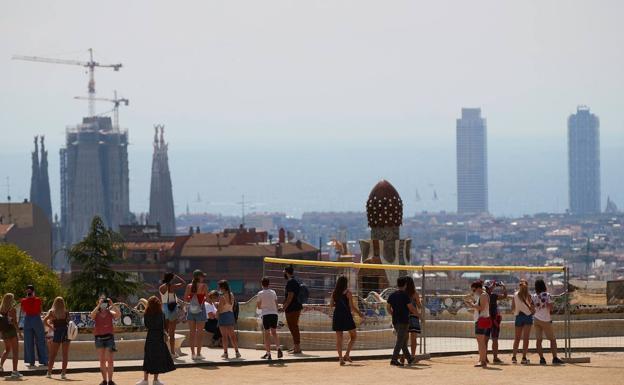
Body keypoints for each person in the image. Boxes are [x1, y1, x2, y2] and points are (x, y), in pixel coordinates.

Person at [136, 296, 175, 385]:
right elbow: (164, 326)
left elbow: (146, 326)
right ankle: (156, 380)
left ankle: (145, 380)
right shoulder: (162, 315)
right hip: (159, 338)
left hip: (150, 337)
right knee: (157, 359)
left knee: (148, 358)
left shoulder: (146, 314)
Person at [331, 275, 363, 365]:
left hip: (337, 315)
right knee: (353, 336)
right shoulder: (348, 293)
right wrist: (360, 313)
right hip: (346, 316)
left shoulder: (334, 292)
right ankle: (347, 354)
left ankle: (340, 359)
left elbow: (331, 305)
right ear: (346, 283)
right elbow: (352, 307)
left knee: (339, 338)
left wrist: (338, 305)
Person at [90, 296, 121, 385]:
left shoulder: (110, 312)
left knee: (110, 360)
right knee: (102, 360)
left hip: (109, 338)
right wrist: (99, 305)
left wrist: (112, 304)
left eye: (104, 302)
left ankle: (110, 380)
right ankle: (104, 380)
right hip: (99, 338)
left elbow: (118, 315)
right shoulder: (96, 313)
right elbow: (92, 315)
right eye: (101, 302)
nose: (103, 303)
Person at [386, 276, 417, 366]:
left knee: (402, 340)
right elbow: (411, 308)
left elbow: (388, 308)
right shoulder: (405, 296)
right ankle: (394, 359)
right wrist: (419, 315)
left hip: (395, 321)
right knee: (400, 341)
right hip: (404, 320)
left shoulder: (392, 295)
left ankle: (409, 358)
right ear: (405, 285)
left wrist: (393, 314)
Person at [532, 279, 564, 365]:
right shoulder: (547, 295)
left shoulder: (534, 296)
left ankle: (542, 358)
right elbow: (551, 308)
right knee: (552, 340)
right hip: (546, 319)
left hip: (536, 319)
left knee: (539, 340)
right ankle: (554, 358)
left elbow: (532, 307)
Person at [159, 272, 186, 357]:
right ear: (171, 279)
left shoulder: (161, 287)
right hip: (171, 308)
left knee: (165, 331)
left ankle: (164, 351)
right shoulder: (172, 286)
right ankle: (172, 352)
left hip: (164, 307)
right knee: (172, 333)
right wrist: (177, 276)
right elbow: (184, 283)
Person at [43, 297, 71, 379]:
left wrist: (51, 327)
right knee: (65, 354)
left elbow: (44, 321)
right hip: (65, 332)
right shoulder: (66, 312)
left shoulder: (52, 312)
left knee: (53, 354)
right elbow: (69, 322)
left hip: (57, 332)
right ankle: (63, 374)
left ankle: (49, 372)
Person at [21, 284, 48, 368]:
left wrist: (27, 300)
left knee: (28, 341)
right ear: (33, 291)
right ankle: (44, 360)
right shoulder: (38, 300)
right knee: (40, 340)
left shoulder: (23, 300)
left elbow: (23, 311)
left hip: (27, 319)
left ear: (27, 291)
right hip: (36, 319)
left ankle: (31, 361)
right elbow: (40, 311)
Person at [184, 269, 208, 361]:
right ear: (199, 277)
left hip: (191, 310)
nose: (203, 278)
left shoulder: (189, 286)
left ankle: (192, 354)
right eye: (202, 276)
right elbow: (208, 299)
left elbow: (186, 298)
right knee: (200, 333)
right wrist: (204, 298)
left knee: (192, 333)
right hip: (200, 310)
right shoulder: (204, 286)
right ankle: (198, 354)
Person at [257, 277, 282, 360]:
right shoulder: (273, 292)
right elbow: (276, 304)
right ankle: (278, 348)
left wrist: (264, 306)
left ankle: (268, 353)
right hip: (274, 314)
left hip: (266, 314)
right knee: (274, 332)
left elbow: (258, 306)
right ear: (269, 284)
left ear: (262, 284)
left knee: (267, 334)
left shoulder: (260, 293)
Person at [467, 280, 491, 368]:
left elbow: (482, 307)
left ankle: (482, 361)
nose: (473, 292)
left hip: (482, 320)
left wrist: (472, 305)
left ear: (478, 288)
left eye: (474, 290)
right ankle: (482, 360)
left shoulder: (483, 295)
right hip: (482, 320)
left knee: (481, 342)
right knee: (481, 342)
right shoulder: (482, 295)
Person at [511, 279, 535, 365]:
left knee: (517, 338)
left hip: (518, 316)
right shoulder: (528, 295)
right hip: (527, 316)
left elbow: (512, 308)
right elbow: (532, 308)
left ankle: (514, 357)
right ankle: (524, 357)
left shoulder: (515, 295)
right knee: (526, 338)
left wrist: (517, 310)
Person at [281, 265, 303, 354]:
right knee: (293, 327)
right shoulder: (294, 280)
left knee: (293, 327)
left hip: (292, 308)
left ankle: (297, 348)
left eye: (284, 272)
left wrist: (284, 307)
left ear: (286, 272)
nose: (283, 273)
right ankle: (296, 346)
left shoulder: (291, 282)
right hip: (295, 307)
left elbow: (290, 296)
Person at [0, 293, 23, 379]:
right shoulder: (12, 309)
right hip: (11, 331)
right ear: (10, 300)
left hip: (4, 332)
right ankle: (14, 371)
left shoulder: (1, 309)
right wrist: (19, 332)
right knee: (15, 352)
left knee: (7, 349)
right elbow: (14, 322)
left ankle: (0, 365)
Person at [484, 280, 507, 364]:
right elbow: (505, 296)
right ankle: (495, 357)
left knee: (486, 340)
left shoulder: (484, 296)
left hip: (486, 319)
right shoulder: (493, 296)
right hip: (493, 319)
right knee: (494, 339)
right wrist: (503, 287)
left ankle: (485, 357)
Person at [217, 280, 241, 359]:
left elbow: (220, 309)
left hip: (223, 316)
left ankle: (225, 353)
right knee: (232, 336)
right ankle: (237, 352)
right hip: (230, 315)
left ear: (222, 287)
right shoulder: (231, 295)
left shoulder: (222, 297)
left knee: (224, 336)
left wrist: (216, 313)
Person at [405, 276, 423, 360]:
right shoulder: (415, 293)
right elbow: (419, 306)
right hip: (414, 317)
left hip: (404, 316)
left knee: (404, 338)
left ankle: (405, 355)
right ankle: (413, 355)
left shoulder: (402, 293)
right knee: (414, 338)